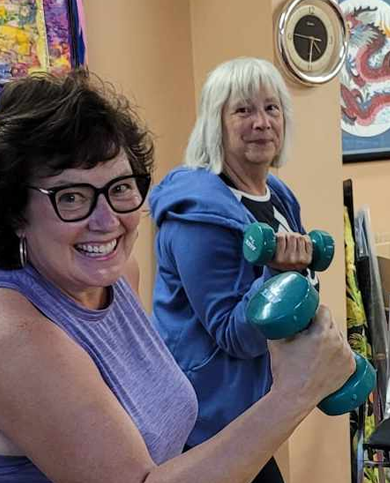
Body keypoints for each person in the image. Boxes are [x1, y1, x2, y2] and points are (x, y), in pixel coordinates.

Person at [0, 69, 354, 483]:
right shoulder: (16, 337)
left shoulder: (116, 278)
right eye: (72, 197)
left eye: (120, 188)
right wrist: (296, 392)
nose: (108, 220)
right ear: (15, 211)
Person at [148, 57, 324, 482]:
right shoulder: (197, 219)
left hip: (253, 407)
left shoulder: (277, 195)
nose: (261, 122)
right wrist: (278, 275)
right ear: (217, 123)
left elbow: (300, 288)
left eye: (271, 108)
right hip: (206, 423)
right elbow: (234, 334)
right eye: (243, 110)